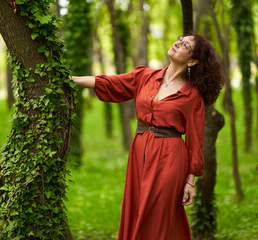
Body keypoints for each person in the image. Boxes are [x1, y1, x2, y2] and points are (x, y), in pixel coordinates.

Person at [72, 33, 224, 240]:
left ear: (193, 60)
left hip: (170, 156)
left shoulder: (192, 96)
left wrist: (190, 181)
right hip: (139, 151)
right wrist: (70, 81)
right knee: (137, 208)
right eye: (180, 39)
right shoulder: (145, 76)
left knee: (156, 212)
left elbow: (195, 141)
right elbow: (109, 83)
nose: (178, 43)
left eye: (185, 44)